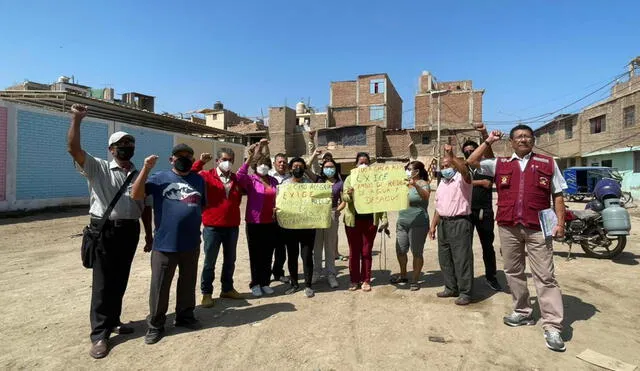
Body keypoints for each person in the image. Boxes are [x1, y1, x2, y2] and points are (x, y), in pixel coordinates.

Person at [466, 124, 568, 352]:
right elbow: (471, 162)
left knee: (545, 276)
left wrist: (560, 224)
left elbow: (558, 195)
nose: (523, 140)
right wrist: (488, 140)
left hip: (538, 228)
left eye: (527, 136)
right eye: (519, 137)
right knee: (513, 271)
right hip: (509, 226)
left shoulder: (548, 163)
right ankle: (522, 311)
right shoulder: (500, 164)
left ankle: (552, 325)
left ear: (533, 140)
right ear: (511, 142)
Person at [67, 104, 153, 359]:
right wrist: (76, 120)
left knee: (120, 279)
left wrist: (148, 234)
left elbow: (145, 207)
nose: (127, 147)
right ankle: (100, 335)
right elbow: (73, 149)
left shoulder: (139, 174)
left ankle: (114, 320)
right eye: (121, 144)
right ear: (111, 150)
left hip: (129, 231)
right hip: (104, 231)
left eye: (130, 143)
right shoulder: (99, 168)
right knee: (103, 284)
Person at [131, 143, 206, 345]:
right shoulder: (160, 178)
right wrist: (146, 169)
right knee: (160, 285)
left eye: (188, 156)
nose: (184, 159)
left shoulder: (198, 180)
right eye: (179, 156)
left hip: (191, 243)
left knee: (188, 282)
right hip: (165, 244)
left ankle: (185, 316)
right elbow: (136, 195)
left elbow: (202, 206)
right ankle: (156, 324)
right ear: (171, 159)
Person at [191, 148, 243, 308]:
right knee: (210, 262)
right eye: (224, 159)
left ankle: (227, 288)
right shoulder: (206, 176)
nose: (228, 163)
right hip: (212, 227)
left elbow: (238, 198)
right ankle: (207, 293)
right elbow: (191, 175)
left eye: (231, 160)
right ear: (217, 161)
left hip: (232, 226)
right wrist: (200, 162)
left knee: (230, 260)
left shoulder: (235, 178)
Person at [429, 144, 474, 306]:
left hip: (460, 223)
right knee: (445, 258)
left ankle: (465, 292)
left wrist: (452, 155)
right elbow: (438, 207)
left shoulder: (463, 180)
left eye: (448, 165)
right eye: (443, 166)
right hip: (443, 224)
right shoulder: (442, 183)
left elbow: (464, 170)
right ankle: (450, 287)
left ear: (455, 166)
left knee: (462, 259)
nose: (445, 168)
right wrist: (433, 226)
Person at [237, 140, 279, 297]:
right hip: (255, 222)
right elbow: (240, 175)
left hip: (271, 222)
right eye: (261, 164)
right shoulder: (251, 179)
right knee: (255, 254)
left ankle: (265, 282)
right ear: (255, 166)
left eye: (267, 164)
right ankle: (255, 283)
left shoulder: (273, 181)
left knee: (268, 253)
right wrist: (249, 158)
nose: (264, 166)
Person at [341, 152, 388, 292]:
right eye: (360, 162)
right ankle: (354, 280)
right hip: (353, 221)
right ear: (355, 165)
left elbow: (381, 199)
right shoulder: (349, 179)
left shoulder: (375, 179)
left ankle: (366, 280)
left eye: (366, 162)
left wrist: (384, 219)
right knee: (354, 252)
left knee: (366, 252)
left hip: (370, 221)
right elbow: (344, 198)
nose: (363, 165)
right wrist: (349, 194)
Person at [462, 133, 501, 291]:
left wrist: (486, 135)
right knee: (464, 247)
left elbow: (491, 156)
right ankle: (465, 279)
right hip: (465, 212)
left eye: (472, 150)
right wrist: (480, 182)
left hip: (484, 211)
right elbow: (462, 183)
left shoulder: (485, 165)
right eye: (466, 150)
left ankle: (491, 277)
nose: (469, 152)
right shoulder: (462, 167)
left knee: (487, 246)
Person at [390, 161, 430, 291]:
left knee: (417, 252)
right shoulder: (403, 184)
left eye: (409, 169)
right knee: (400, 250)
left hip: (418, 223)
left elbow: (425, 197)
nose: (407, 171)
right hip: (402, 222)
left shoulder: (423, 184)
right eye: (406, 169)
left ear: (417, 171)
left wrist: (415, 186)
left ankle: (415, 279)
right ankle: (403, 275)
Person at [281, 157, 317, 297]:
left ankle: (308, 285)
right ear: (290, 169)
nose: (298, 168)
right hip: (290, 227)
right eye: (295, 166)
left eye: (301, 166)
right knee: (292, 255)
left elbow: (316, 201)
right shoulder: (284, 184)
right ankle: (294, 283)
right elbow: (279, 201)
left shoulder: (310, 184)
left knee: (307, 256)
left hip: (307, 226)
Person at [311, 158, 344, 289]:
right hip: (317, 215)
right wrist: (312, 147)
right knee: (317, 246)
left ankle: (331, 274)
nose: (329, 169)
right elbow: (307, 168)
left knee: (330, 246)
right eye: (326, 167)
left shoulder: (340, 183)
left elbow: (343, 200)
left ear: (335, 169)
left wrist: (338, 211)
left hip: (332, 214)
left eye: (331, 167)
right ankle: (316, 272)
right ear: (322, 168)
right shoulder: (318, 180)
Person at [268, 153, 291, 284]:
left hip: (285, 218)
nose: (282, 164)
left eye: (284, 162)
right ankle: (265, 274)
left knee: (281, 249)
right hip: (269, 218)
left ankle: (278, 272)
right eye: (280, 162)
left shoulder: (290, 178)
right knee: (268, 248)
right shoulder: (268, 176)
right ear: (274, 163)